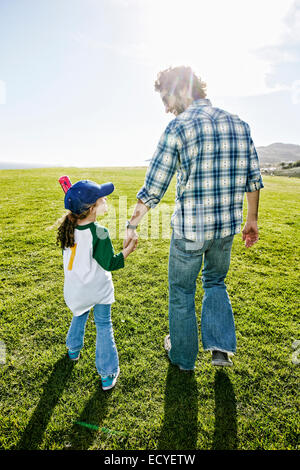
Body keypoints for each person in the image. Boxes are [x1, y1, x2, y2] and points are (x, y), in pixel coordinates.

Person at [124, 66, 264, 370]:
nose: (165, 108)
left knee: (182, 291)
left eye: (166, 98)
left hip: (190, 230)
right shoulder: (240, 124)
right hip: (226, 228)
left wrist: (132, 225)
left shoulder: (178, 128)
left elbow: (153, 187)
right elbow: (253, 180)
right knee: (216, 281)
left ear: (183, 90)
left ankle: (184, 358)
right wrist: (251, 220)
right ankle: (219, 348)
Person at [56, 179, 137, 390]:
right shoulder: (100, 232)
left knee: (80, 313)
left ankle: (73, 350)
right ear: (91, 208)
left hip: (75, 290)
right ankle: (108, 373)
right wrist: (128, 250)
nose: (106, 200)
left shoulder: (68, 227)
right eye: (102, 198)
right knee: (103, 325)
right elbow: (110, 263)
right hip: (97, 289)